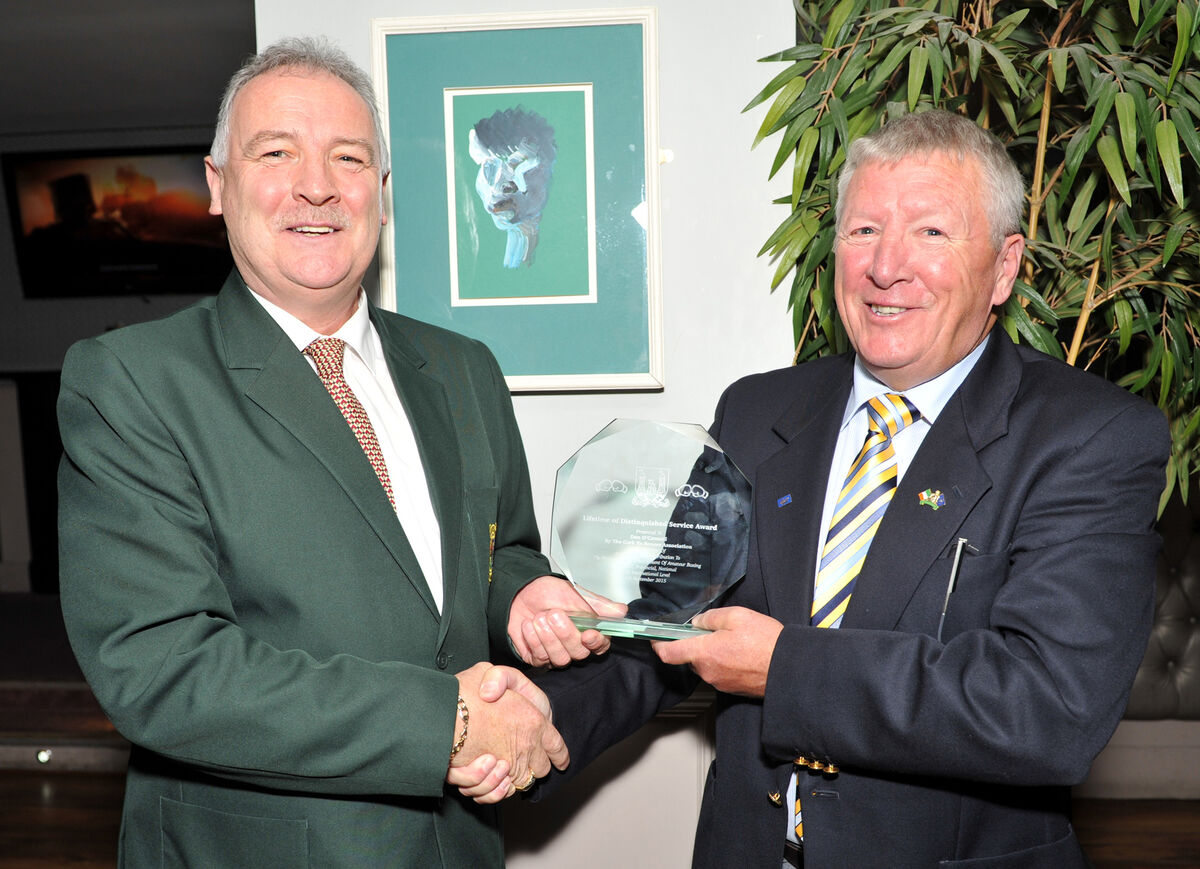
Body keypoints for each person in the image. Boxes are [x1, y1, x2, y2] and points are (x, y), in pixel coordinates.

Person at [516, 110, 1171, 867]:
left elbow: (1048, 707)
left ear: (1004, 266)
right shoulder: (757, 413)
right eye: (862, 231)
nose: (886, 265)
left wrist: (785, 667)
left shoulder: (1089, 436)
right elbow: (671, 624)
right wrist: (533, 722)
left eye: (930, 232)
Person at [56, 36, 611, 868]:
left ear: (381, 195)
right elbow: (163, 669)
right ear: (218, 185)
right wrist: (448, 723)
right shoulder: (132, 382)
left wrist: (525, 597)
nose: (316, 185)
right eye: (276, 152)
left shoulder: (464, 370)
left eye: (347, 157)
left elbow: (500, 551)